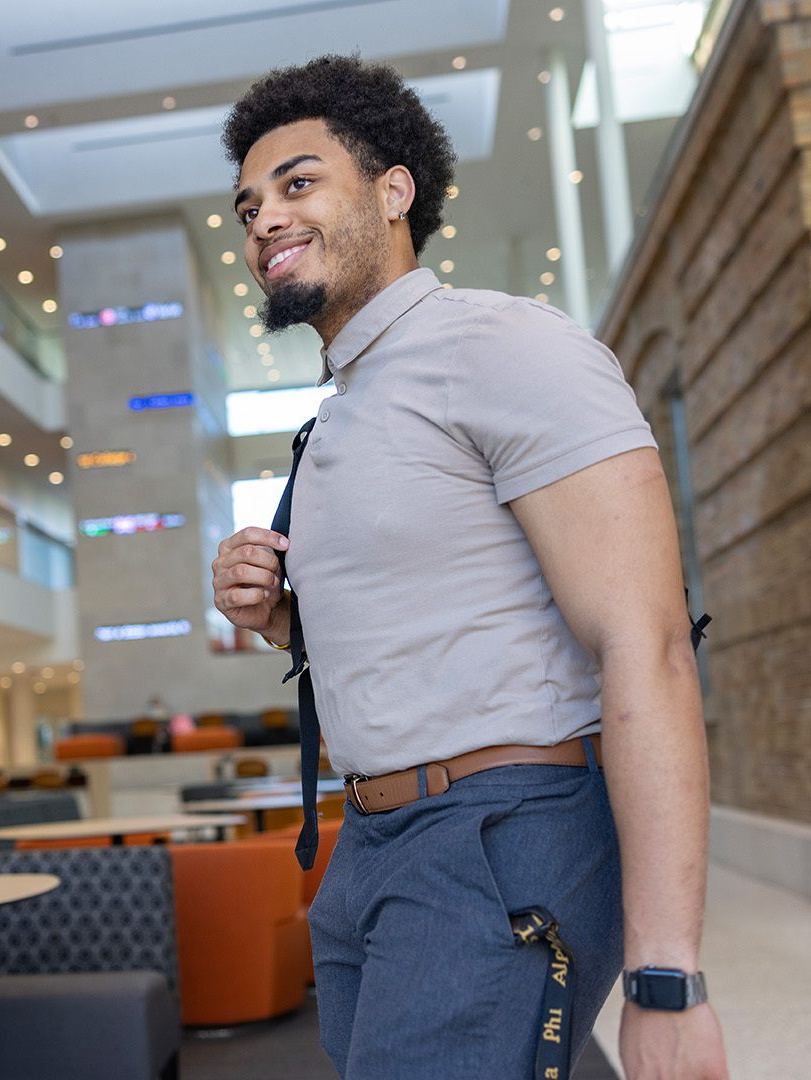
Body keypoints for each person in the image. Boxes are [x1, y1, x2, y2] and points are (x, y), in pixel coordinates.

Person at [211, 56, 727, 1080]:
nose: (264, 217)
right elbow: (428, 625)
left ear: (394, 190)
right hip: (370, 848)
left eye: (298, 183)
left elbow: (648, 642)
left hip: (499, 833)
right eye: (248, 204)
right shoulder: (342, 414)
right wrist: (277, 616)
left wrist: (667, 978)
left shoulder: (502, 346)